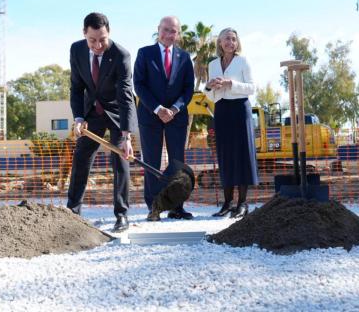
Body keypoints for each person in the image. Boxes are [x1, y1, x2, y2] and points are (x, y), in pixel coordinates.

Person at [66, 12, 137, 232]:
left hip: (117, 112)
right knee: (81, 159)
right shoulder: (76, 50)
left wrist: (126, 136)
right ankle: (72, 213)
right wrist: (78, 117)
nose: (97, 45)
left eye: (102, 39)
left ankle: (121, 214)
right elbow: (77, 88)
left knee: (120, 162)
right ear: (84, 34)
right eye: (92, 40)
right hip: (91, 112)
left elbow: (126, 95)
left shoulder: (121, 55)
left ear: (109, 33)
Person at [134, 16, 195, 221]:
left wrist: (175, 109)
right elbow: (139, 85)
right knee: (151, 161)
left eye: (174, 31)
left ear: (178, 34)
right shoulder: (144, 53)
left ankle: (177, 207)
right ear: (158, 29)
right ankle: (154, 207)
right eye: (166, 30)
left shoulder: (185, 57)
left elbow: (188, 89)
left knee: (177, 163)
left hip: (176, 118)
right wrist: (158, 109)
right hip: (150, 116)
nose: (169, 34)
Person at [205, 28, 259, 218]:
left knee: (242, 155)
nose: (230, 42)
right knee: (225, 155)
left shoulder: (243, 61)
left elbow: (252, 87)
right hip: (221, 110)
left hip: (240, 109)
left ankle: (242, 204)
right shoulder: (212, 64)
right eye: (226, 39)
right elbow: (209, 94)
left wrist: (231, 84)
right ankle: (227, 204)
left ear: (237, 43)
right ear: (220, 42)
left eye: (233, 39)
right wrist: (209, 87)